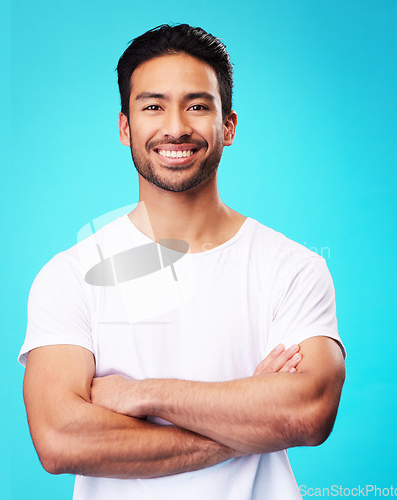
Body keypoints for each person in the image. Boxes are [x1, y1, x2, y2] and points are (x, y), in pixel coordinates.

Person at [18, 24, 346, 500]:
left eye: (197, 105)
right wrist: (247, 419)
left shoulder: (293, 268)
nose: (175, 126)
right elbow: (60, 439)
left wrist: (142, 393)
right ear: (125, 127)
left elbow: (308, 414)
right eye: (153, 106)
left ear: (227, 126)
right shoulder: (70, 276)